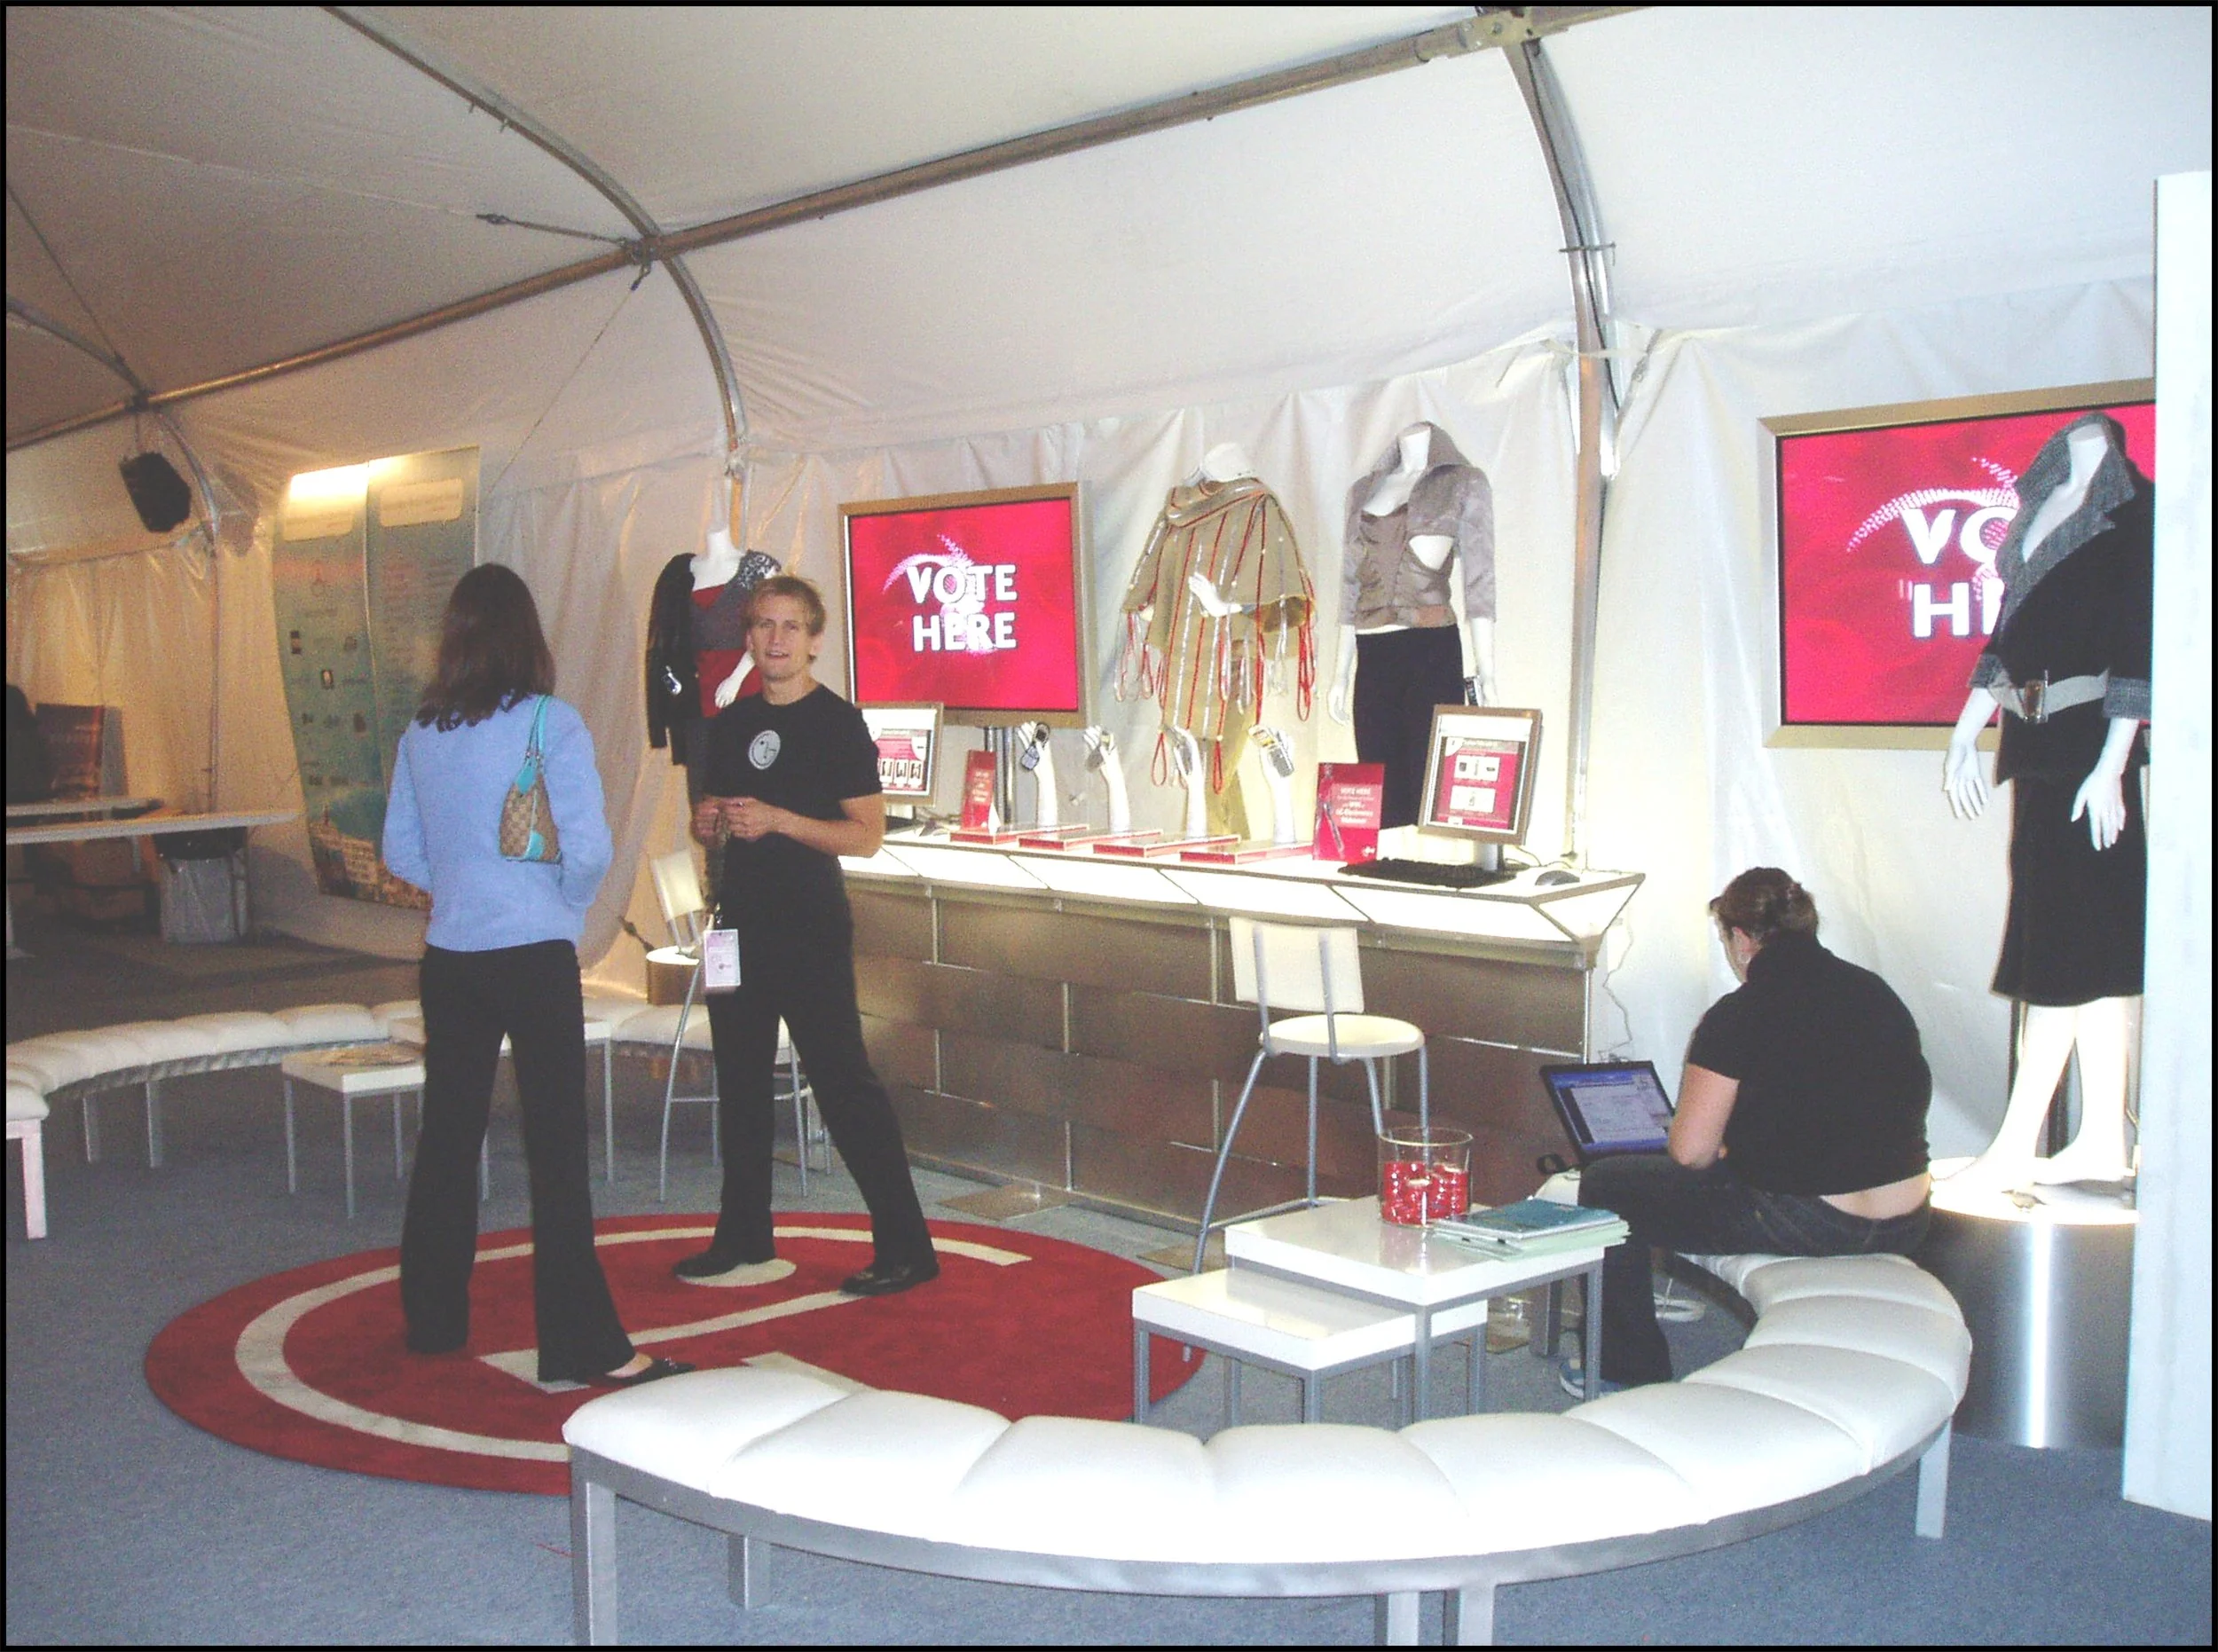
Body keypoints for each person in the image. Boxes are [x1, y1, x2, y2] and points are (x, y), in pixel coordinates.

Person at [383, 563, 689, 1388]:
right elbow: (586, 846)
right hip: (533, 954)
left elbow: (400, 852)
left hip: (451, 958)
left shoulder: (423, 732)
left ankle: (435, 1321)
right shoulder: (552, 723)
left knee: (449, 1136)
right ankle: (582, 1344)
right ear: (530, 634)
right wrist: (561, 905)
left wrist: (463, 887)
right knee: (555, 1149)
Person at [674, 574, 940, 1296]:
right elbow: (718, 817)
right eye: (763, 626)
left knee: (842, 1083)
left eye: (790, 627)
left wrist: (782, 820)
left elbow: (867, 837)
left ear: (815, 640)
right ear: (749, 636)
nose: (775, 640)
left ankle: (907, 1245)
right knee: (740, 1084)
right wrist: (712, 825)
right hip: (739, 924)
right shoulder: (731, 723)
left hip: (810, 928)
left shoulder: (837, 722)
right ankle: (743, 1236)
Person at [1575, 869, 1932, 1389]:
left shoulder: (1738, 1014)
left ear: (1741, 939)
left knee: (1609, 1184)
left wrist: (1726, 1145)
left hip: (1817, 1223)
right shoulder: (1874, 991)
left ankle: (1624, 1371)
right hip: (1910, 1216)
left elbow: (1690, 1152)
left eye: (1726, 940)